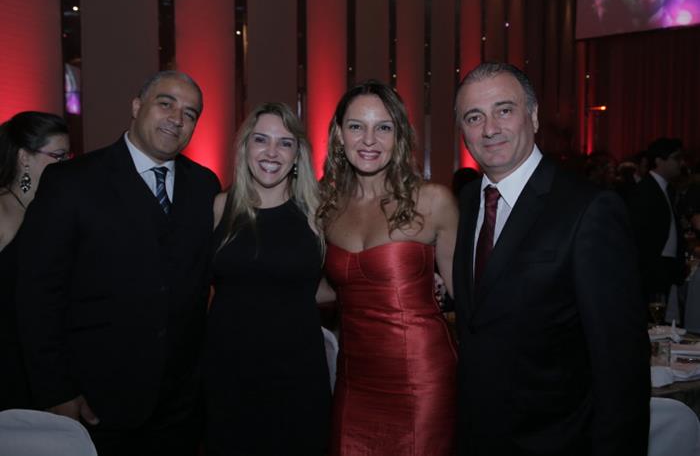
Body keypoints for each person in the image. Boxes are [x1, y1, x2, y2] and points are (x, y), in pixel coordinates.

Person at [15, 71, 220, 456]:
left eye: (190, 113)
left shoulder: (204, 186)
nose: (177, 118)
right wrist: (57, 391)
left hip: (180, 407)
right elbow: (37, 294)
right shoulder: (71, 182)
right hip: (96, 403)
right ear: (137, 106)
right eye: (166, 103)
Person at [452, 62, 650, 455]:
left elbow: (621, 365)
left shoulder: (589, 209)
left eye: (504, 110)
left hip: (557, 442)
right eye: (474, 117)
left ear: (534, 116)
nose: (489, 128)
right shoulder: (471, 200)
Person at [317, 80, 459, 455]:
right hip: (354, 376)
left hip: (421, 376)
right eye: (356, 126)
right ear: (338, 135)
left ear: (400, 136)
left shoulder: (433, 201)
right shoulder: (326, 206)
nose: (369, 140)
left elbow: (467, 294)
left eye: (383, 127)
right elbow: (332, 288)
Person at [204, 102, 331, 455]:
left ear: (297, 155)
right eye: (261, 139)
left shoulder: (319, 214)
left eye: (285, 143)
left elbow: (344, 279)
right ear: (245, 147)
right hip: (227, 370)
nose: (272, 152)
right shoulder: (220, 207)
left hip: (296, 374)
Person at [0, 111, 70, 411]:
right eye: (58, 156)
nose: (66, 166)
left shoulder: (52, 210)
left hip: (44, 358)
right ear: (23, 158)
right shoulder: (2, 209)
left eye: (68, 157)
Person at [628, 137, 685, 303]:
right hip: (652, 271)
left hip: (664, 268)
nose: (681, 163)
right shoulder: (645, 191)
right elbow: (639, 237)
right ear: (659, 161)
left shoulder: (666, 189)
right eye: (676, 158)